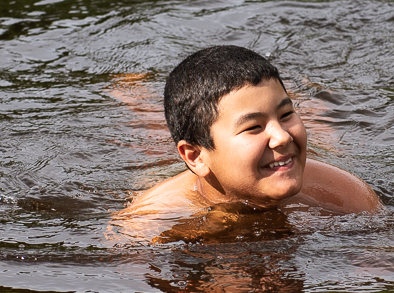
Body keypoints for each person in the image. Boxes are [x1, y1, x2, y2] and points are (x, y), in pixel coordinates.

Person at [115, 46, 380, 242]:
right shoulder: (150, 222)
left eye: (287, 114)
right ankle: (132, 93)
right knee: (152, 143)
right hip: (177, 173)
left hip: (269, 160)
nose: (283, 136)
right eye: (253, 127)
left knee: (324, 137)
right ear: (195, 156)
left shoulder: (346, 194)